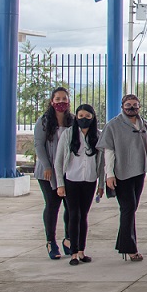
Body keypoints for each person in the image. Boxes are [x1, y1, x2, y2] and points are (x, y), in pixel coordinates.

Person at [99, 93, 147, 262]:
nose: (132, 108)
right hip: (121, 174)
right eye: (128, 104)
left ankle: (126, 244)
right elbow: (108, 151)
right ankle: (130, 248)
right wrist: (109, 174)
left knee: (131, 209)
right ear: (122, 106)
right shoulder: (113, 125)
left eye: (135, 104)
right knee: (128, 208)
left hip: (138, 173)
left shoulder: (144, 124)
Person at [53, 104, 104, 266]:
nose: (84, 119)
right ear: (76, 117)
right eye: (80, 115)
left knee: (84, 216)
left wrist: (101, 184)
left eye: (87, 116)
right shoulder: (68, 134)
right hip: (71, 180)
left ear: (93, 118)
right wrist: (60, 184)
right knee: (74, 215)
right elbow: (59, 161)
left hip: (89, 180)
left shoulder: (98, 135)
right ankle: (73, 252)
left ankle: (82, 251)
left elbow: (102, 163)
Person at [34, 86, 73, 259]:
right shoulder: (43, 121)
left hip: (67, 170)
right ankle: (51, 242)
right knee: (52, 205)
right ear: (52, 101)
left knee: (70, 207)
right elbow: (38, 145)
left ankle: (69, 239)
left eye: (64, 99)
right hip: (48, 172)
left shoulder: (72, 120)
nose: (61, 102)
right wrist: (47, 166)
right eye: (58, 99)